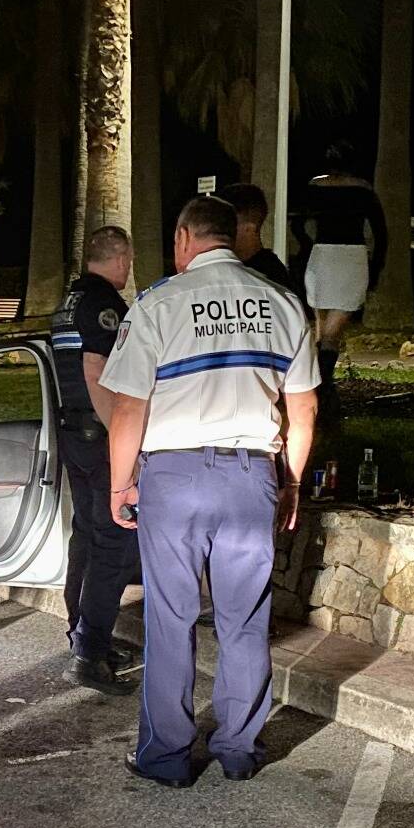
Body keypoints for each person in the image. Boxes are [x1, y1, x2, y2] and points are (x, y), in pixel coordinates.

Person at [98, 194, 319, 787]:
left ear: (183, 239)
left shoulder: (158, 305)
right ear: (234, 236)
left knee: (170, 618)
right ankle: (239, 749)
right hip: (251, 476)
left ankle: (166, 756)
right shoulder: (284, 304)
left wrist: (122, 484)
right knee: (244, 618)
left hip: (173, 478)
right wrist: (289, 481)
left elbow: (126, 408)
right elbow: (304, 406)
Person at [48, 224, 143, 696]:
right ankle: (90, 651)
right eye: (129, 261)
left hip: (72, 432)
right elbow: (96, 369)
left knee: (85, 537)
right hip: (98, 434)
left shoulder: (68, 302)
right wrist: (122, 439)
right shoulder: (104, 304)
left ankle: (81, 637)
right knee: (113, 546)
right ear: (121, 258)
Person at [300, 147, 390, 393]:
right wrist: (376, 267)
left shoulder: (314, 187)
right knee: (332, 333)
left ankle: (317, 382)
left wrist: (308, 246)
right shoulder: (363, 190)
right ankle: (322, 384)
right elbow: (381, 233)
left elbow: (298, 222)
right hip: (351, 258)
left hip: (322, 256)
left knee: (321, 327)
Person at [221, 183, 300, 304]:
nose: (218, 232)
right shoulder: (223, 265)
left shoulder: (271, 279)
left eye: (226, 226)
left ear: (249, 229)